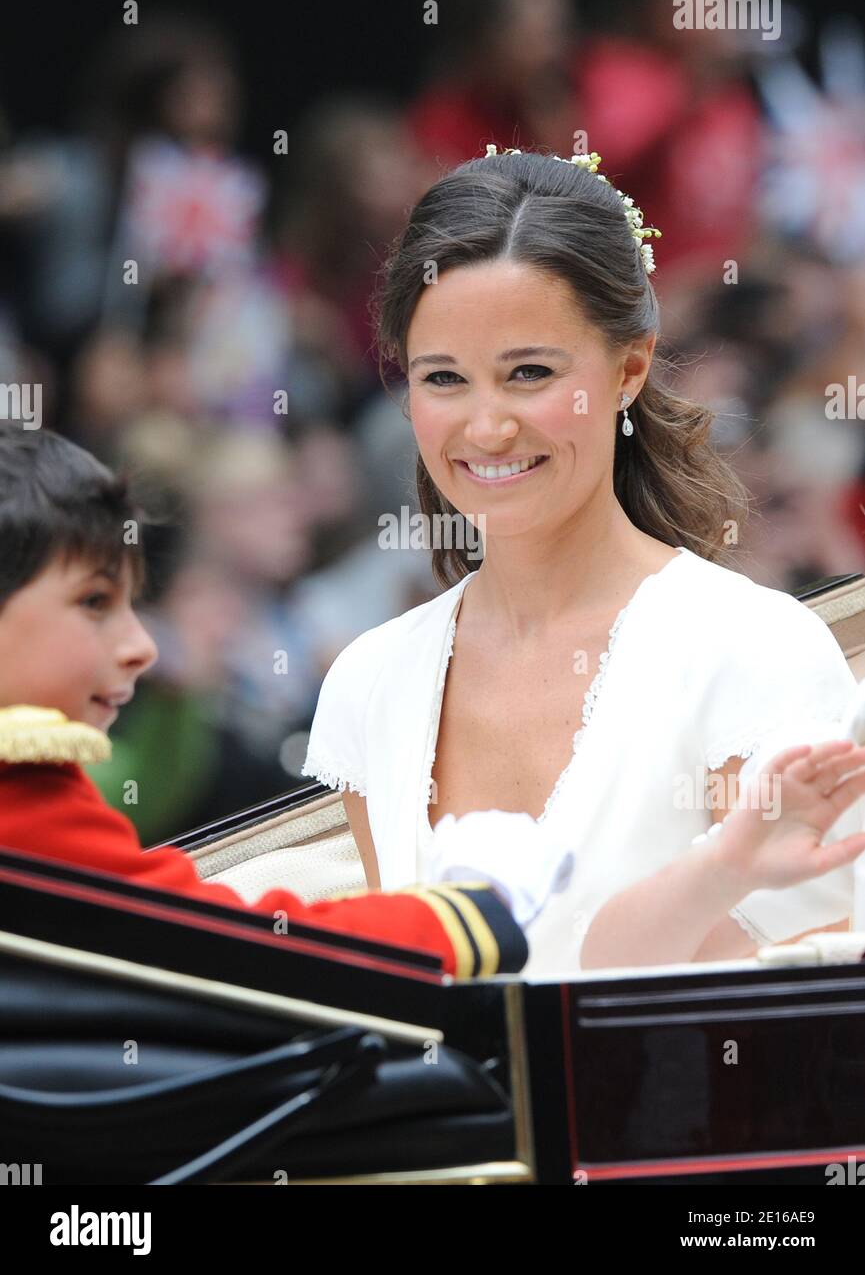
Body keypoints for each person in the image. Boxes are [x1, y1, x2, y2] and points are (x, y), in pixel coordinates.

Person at [301, 144, 865, 975]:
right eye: (444, 378)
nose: (486, 427)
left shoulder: (753, 651)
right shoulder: (368, 682)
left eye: (528, 373)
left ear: (629, 366)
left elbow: (776, 1016)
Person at [0, 421, 559, 981]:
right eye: (94, 601)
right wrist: (467, 914)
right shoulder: (24, 791)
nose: (141, 646)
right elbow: (232, 948)